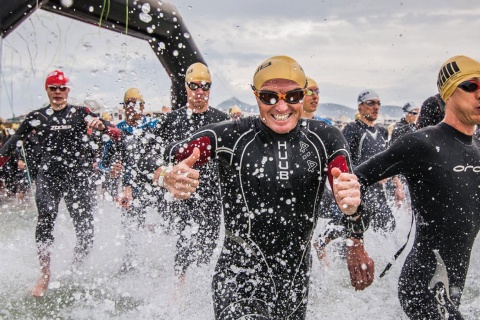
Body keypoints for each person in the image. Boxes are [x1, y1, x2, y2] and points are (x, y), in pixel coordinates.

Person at [151, 55, 374, 319]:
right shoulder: (232, 135)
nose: (281, 106)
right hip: (238, 278)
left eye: (292, 96)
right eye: (269, 96)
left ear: (302, 95)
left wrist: (355, 239)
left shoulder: (325, 138)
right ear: (256, 95)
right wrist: (166, 175)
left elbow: (349, 195)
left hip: (294, 283)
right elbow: (156, 157)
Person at [355, 55, 480, 319]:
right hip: (423, 285)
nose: (479, 94)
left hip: (452, 287)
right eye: (471, 86)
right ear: (447, 93)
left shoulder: (476, 151)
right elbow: (355, 180)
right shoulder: (421, 143)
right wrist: (355, 240)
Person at [0, 70, 120, 297]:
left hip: (79, 177)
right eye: (53, 88)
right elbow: (15, 140)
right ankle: (45, 274)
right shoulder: (37, 116)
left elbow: (114, 132)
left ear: (68, 90)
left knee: (85, 228)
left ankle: (77, 265)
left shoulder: (81, 112)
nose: (57, 92)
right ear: (47, 90)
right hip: (49, 176)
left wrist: (102, 126)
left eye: (62, 88)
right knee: (45, 217)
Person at [141, 62, 230, 279]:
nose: (200, 92)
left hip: (212, 194)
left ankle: (199, 286)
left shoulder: (222, 120)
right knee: (184, 238)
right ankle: (179, 288)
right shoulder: (171, 120)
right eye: (194, 85)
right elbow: (144, 155)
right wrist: (162, 174)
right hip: (181, 191)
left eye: (205, 86)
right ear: (186, 87)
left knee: (208, 243)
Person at [99, 87, 160, 271]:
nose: (133, 107)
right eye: (129, 104)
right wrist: (112, 170)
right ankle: (130, 267)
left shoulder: (152, 126)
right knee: (131, 232)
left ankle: (157, 265)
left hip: (154, 187)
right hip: (130, 190)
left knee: (161, 227)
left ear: (143, 106)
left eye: (137, 103)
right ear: (124, 107)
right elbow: (103, 163)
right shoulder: (117, 131)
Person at [341, 89, 403, 232]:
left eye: (378, 103)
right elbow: (345, 163)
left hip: (379, 192)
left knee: (388, 227)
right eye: (370, 103)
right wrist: (371, 175)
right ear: (360, 106)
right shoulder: (352, 129)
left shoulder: (381, 131)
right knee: (355, 230)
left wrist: (397, 184)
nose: (376, 107)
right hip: (360, 191)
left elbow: (387, 159)